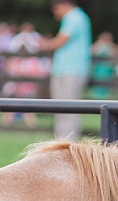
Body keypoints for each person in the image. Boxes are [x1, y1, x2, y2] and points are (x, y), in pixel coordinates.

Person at [40, 0, 92, 140]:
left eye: (56, 8)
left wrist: (43, 44)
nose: (55, 12)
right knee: (63, 109)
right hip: (66, 69)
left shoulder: (74, 17)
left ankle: (68, 142)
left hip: (71, 70)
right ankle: (63, 140)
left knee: (68, 109)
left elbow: (60, 41)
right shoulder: (78, 17)